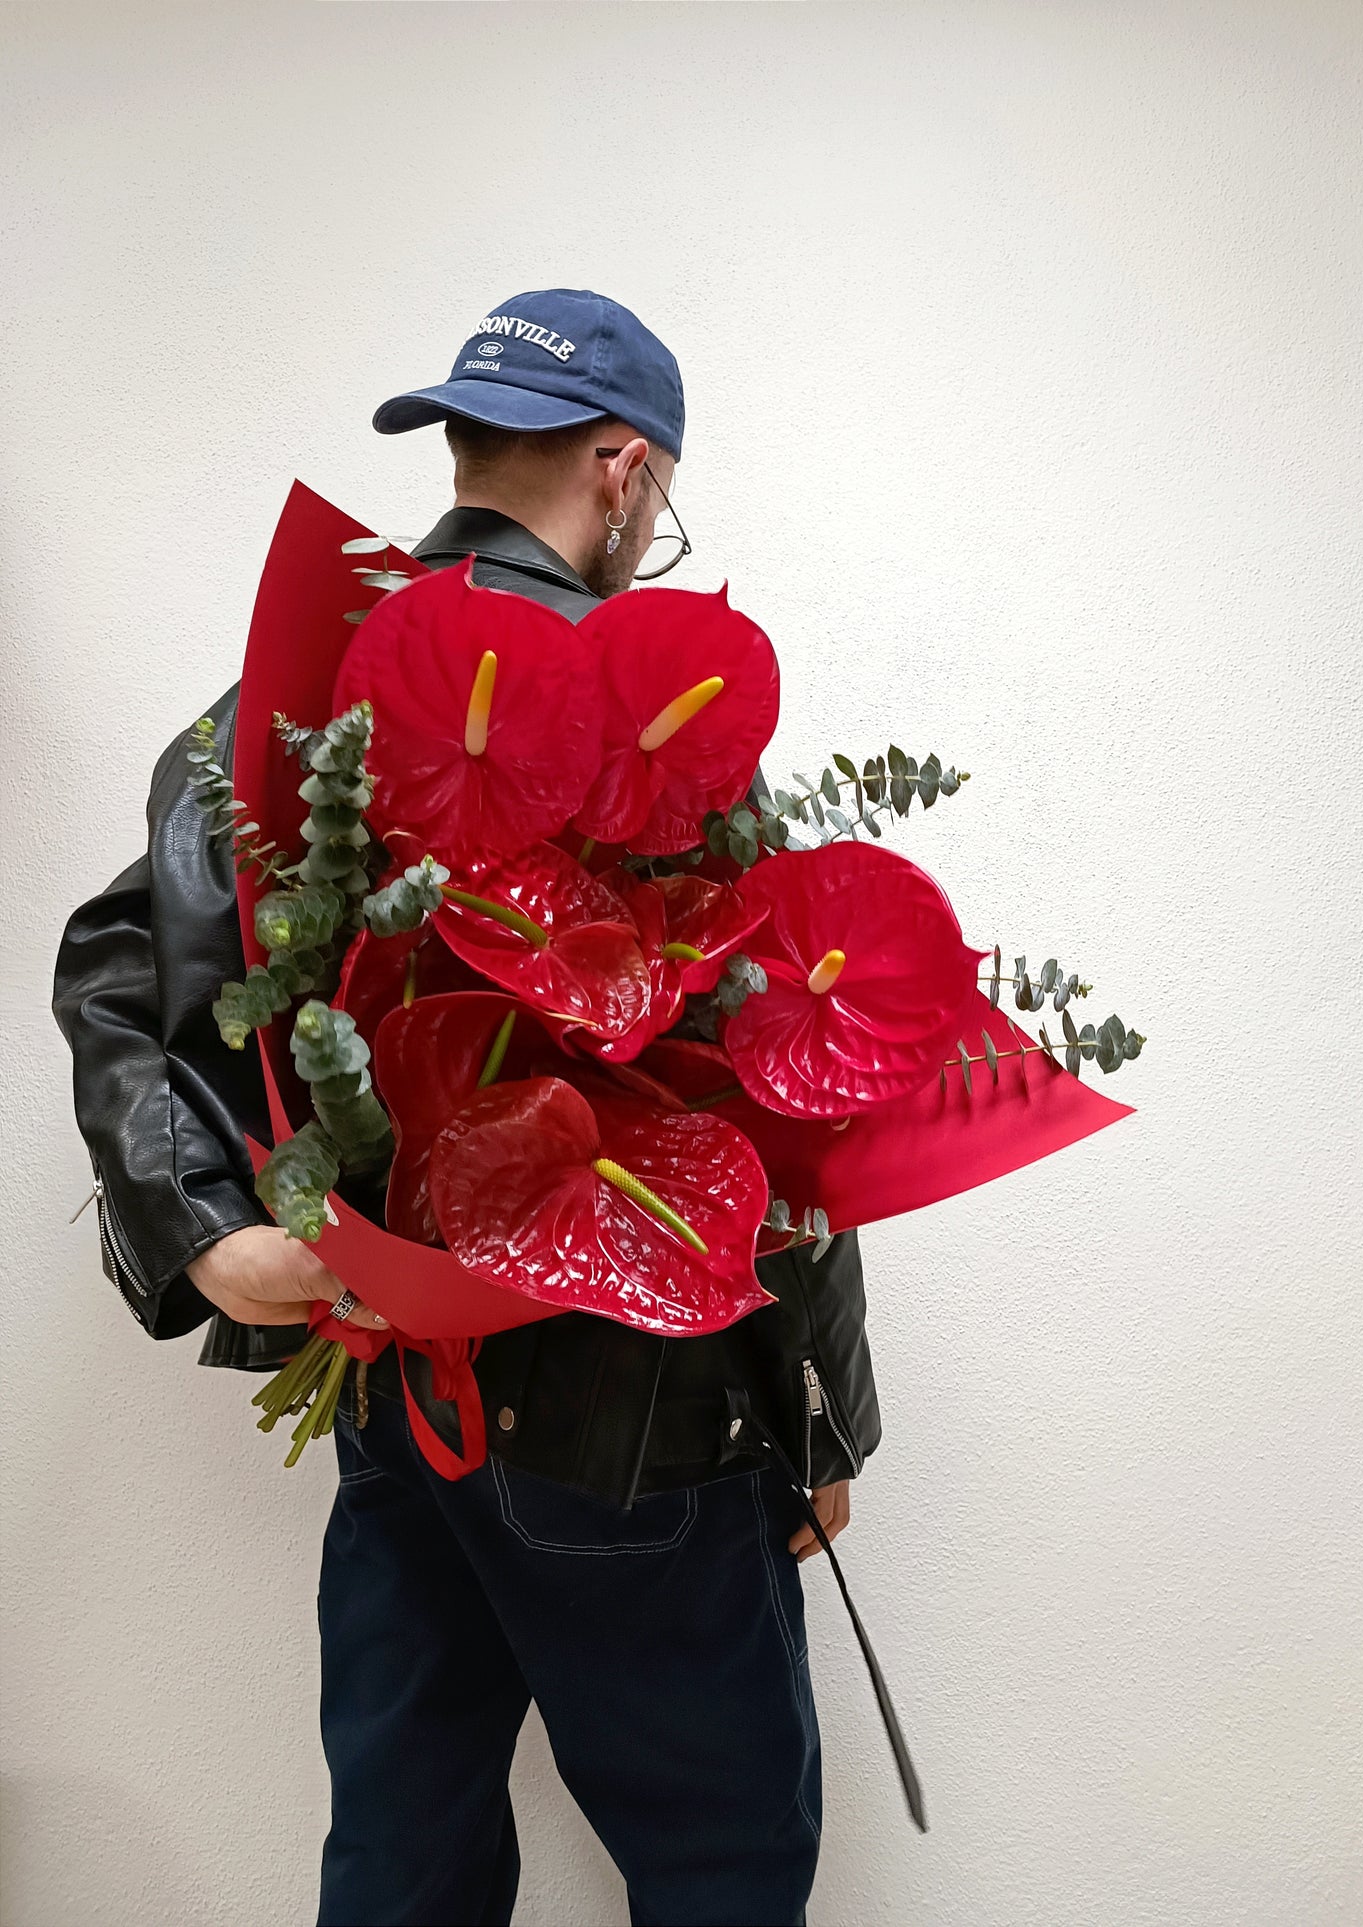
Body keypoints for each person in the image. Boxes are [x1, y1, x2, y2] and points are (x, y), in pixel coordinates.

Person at [51, 288, 882, 1927]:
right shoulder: (656, 718)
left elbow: (114, 965)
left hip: (390, 1392)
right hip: (630, 1412)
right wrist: (818, 1422)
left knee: (403, 1859)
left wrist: (208, 1234)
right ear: (625, 469)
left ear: (463, 444)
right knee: (721, 1857)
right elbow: (781, 1095)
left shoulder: (294, 689)